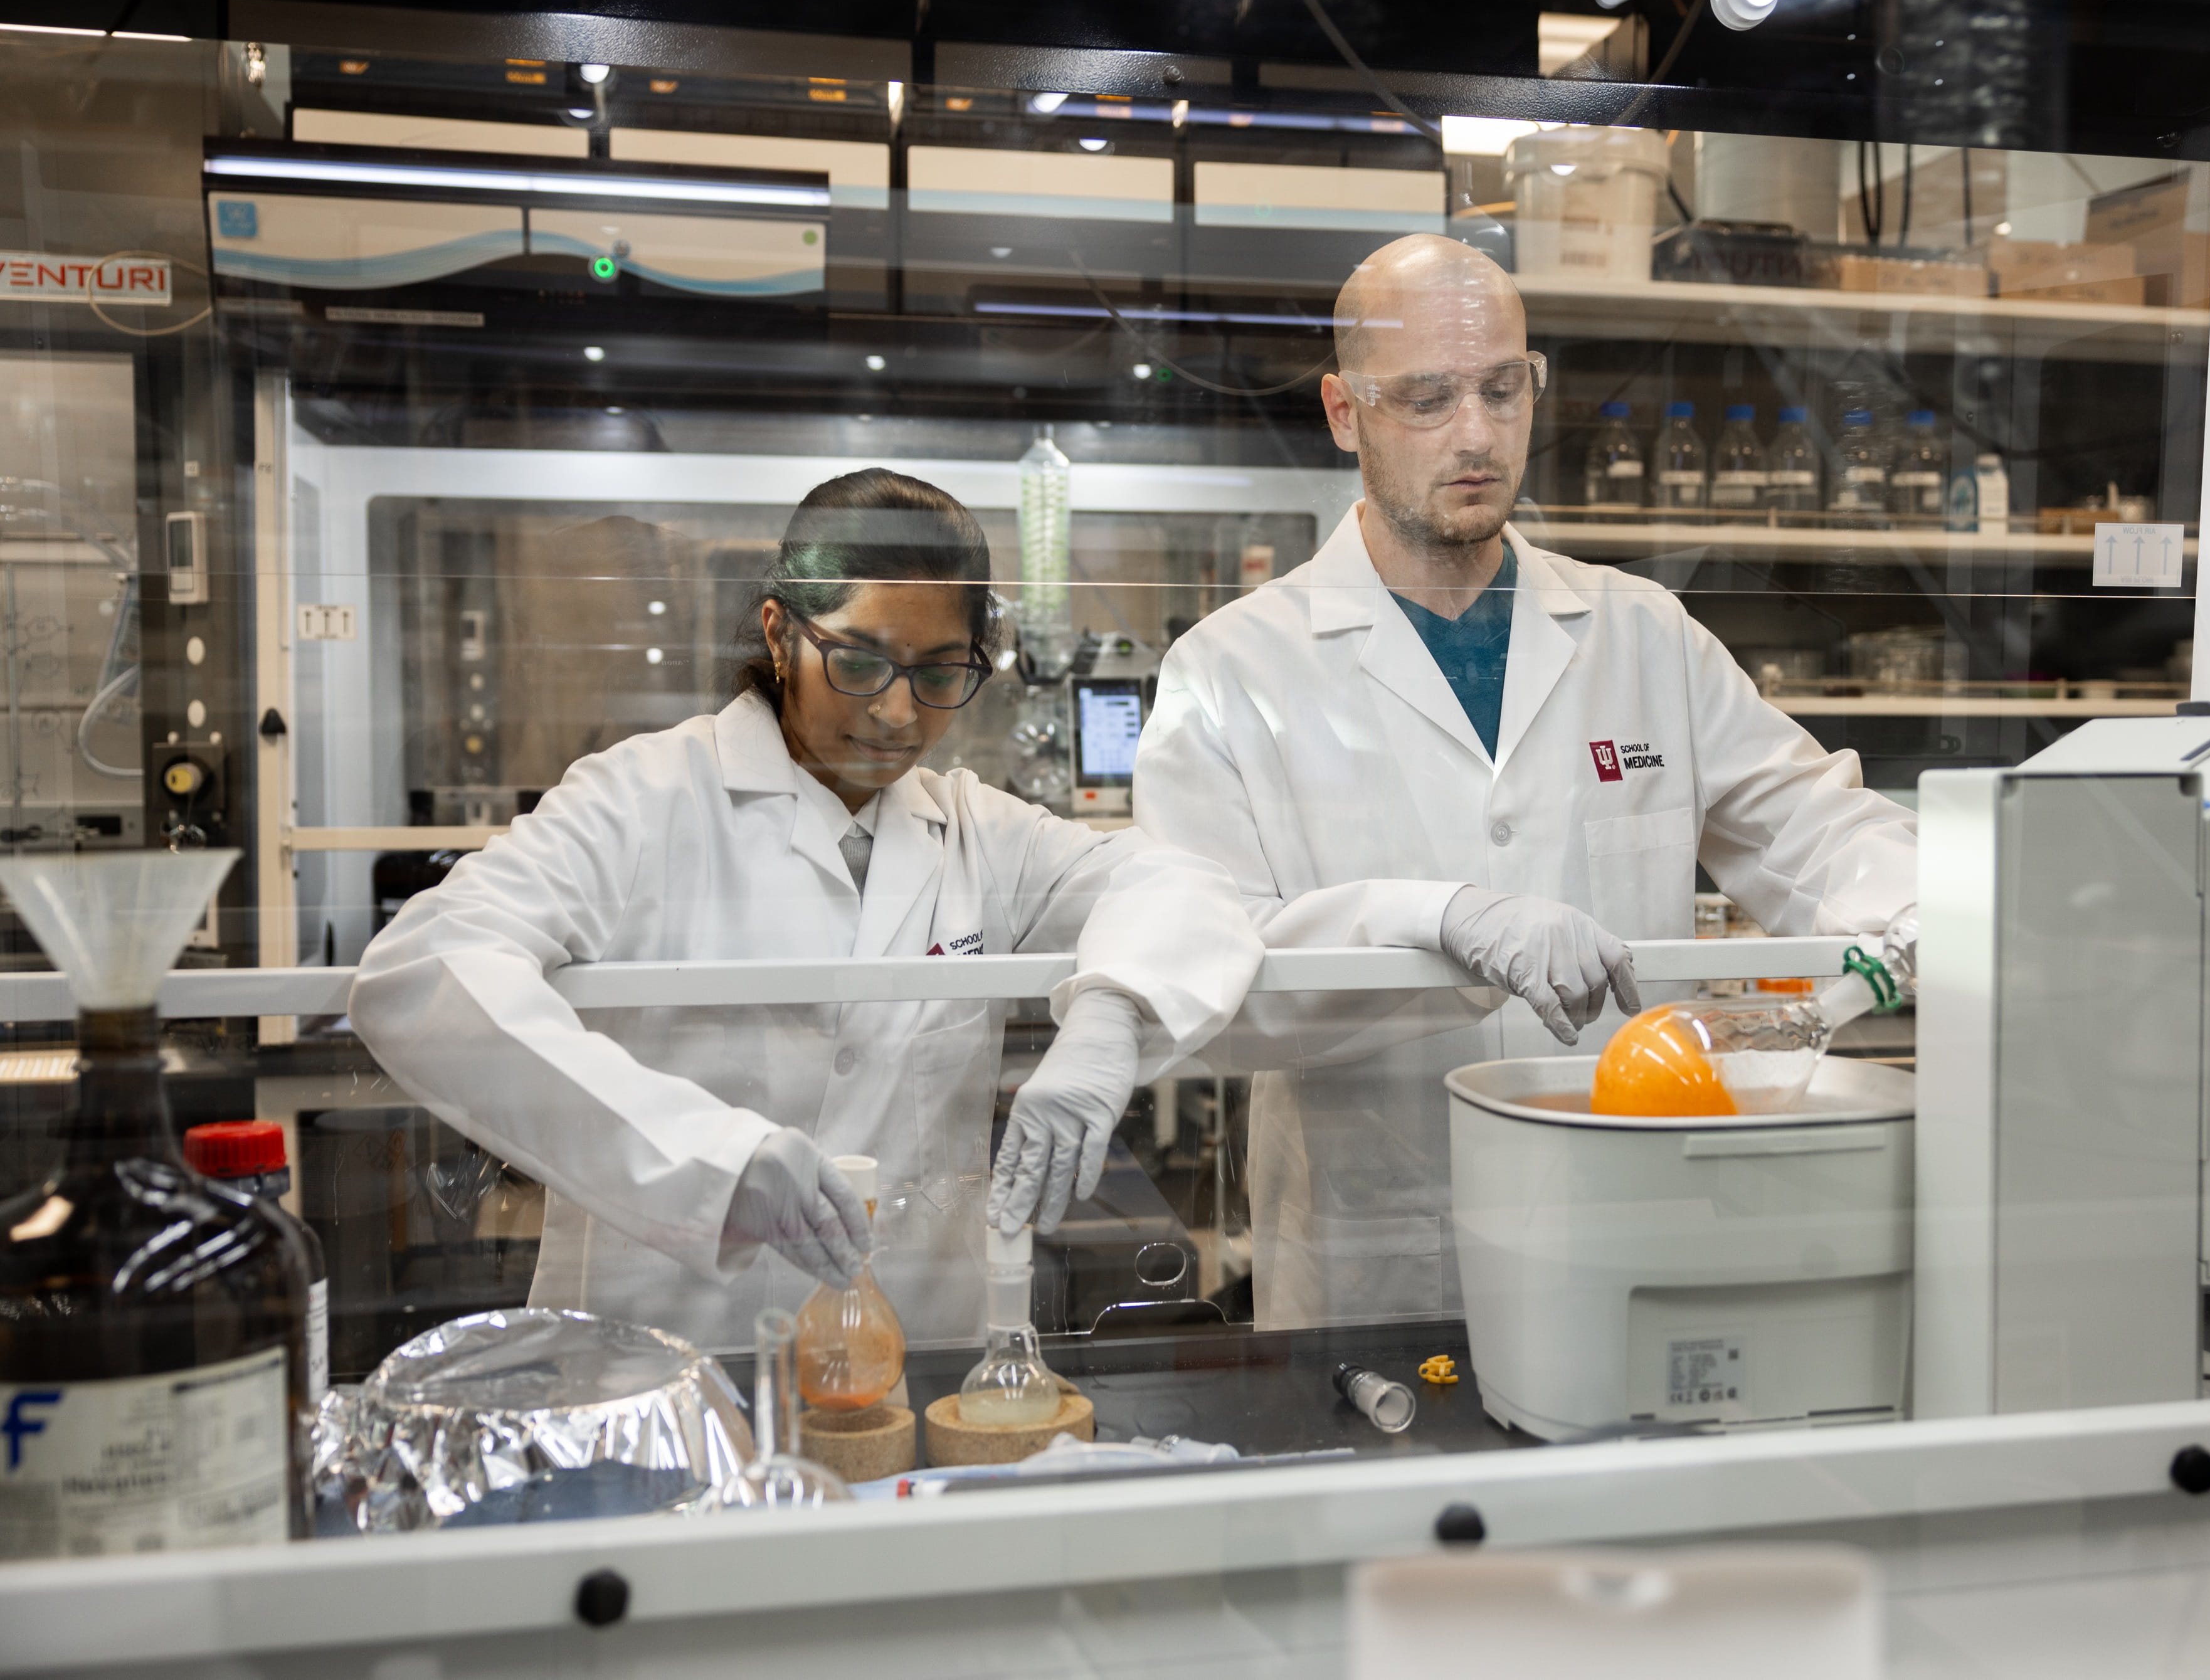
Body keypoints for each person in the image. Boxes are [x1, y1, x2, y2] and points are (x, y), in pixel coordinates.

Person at [1134, 235, 1918, 1329]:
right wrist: (1441, 924)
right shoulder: (1229, 669)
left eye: (1505, 390)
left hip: (1625, 1220)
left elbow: (1814, 828)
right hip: (1376, 1256)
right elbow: (1204, 991)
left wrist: (1921, 898)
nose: (1477, 434)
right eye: (1427, 398)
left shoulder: (1642, 634)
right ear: (1343, 412)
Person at [349, 470, 1261, 1352]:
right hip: (678, 1363)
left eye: (942, 673)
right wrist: (709, 1161)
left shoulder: (977, 829)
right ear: (781, 634)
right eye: (860, 662)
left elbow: (1180, 884)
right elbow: (424, 970)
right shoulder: (642, 800)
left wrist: (1110, 1015)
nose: (900, 713)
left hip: (919, 1361)